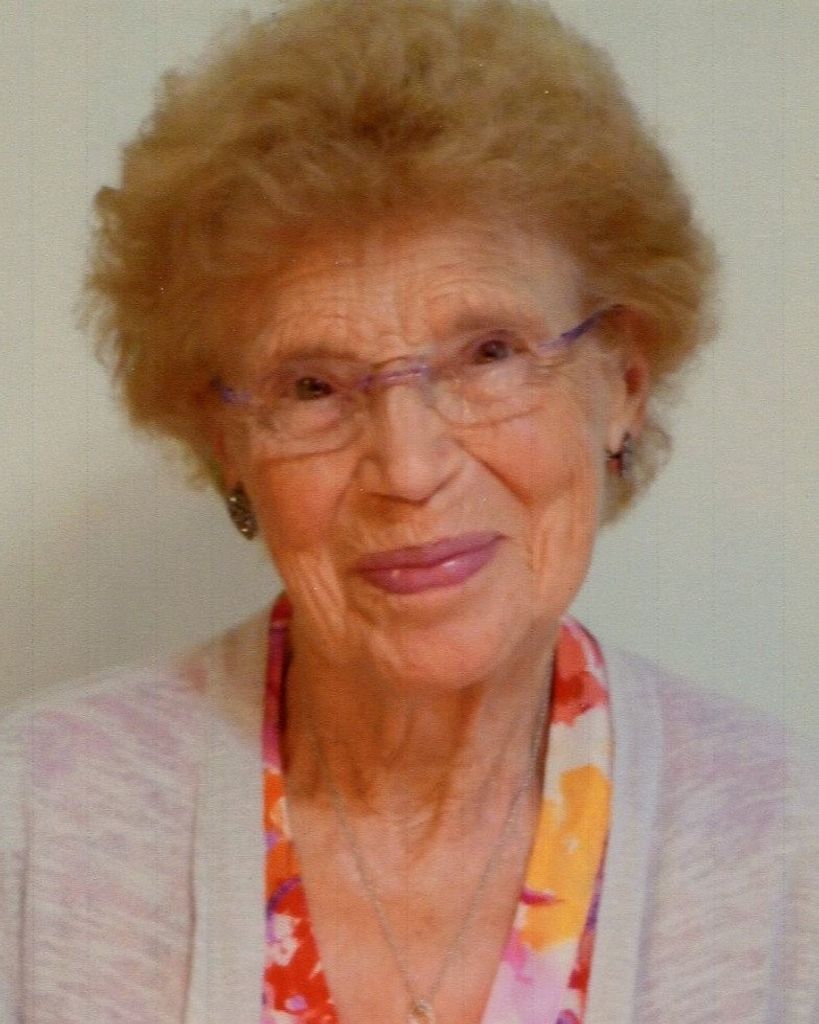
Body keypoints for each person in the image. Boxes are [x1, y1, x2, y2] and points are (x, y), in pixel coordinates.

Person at [1, 1, 816, 1022]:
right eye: (312, 386)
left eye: (489, 354)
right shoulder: (38, 823)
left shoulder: (785, 848)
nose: (410, 466)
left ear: (623, 385)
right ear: (228, 445)